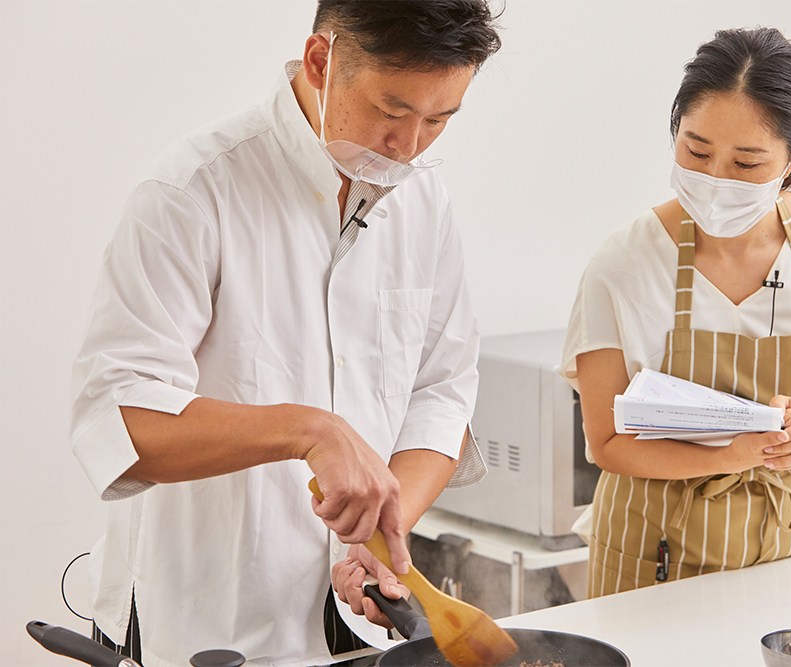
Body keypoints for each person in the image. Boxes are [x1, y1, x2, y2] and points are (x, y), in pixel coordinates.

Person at [69, 1, 501, 664]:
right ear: (321, 62)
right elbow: (119, 419)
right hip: (203, 623)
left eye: (438, 120)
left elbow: (441, 392)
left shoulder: (422, 198)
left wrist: (382, 531)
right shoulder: (192, 193)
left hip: (349, 623)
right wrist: (309, 431)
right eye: (391, 112)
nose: (409, 145)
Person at [561, 27, 791, 598]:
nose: (715, 181)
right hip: (649, 563)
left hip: (785, 554)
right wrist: (740, 451)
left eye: (746, 163)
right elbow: (607, 444)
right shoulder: (623, 265)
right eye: (696, 151)